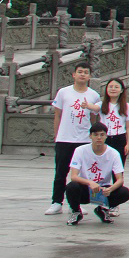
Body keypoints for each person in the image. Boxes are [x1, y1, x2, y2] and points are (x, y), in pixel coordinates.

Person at [47, 62, 100, 215]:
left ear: (89, 76)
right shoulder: (63, 92)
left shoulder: (93, 95)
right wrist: (57, 135)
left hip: (83, 139)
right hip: (64, 138)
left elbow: (94, 118)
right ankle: (56, 202)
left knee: (81, 175)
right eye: (80, 72)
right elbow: (57, 115)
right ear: (74, 75)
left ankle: (75, 204)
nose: (83, 74)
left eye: (86, 72)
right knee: (60, 172)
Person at [64, 122, 129, 225]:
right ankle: (76, 211)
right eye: (95, 135)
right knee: (71, 187)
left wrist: (110, 189)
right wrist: (90, 183)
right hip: (86, 188)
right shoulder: (80, 151)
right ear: (90, 136)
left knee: (125, 192)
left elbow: (120, 179)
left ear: (106, 136)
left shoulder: (114, 153)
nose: (99, 138)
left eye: (102, 135)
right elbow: (74, 176)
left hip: (103, 190)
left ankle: (102, 209)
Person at [98, 77, 129, 162]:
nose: (113, 89)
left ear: (121, 90)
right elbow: (94, 108)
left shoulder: (126, 106)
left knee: (118, 167)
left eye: (116, 87)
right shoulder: (101, 104)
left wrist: (128, 144)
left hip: (120, 138)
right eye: (110, 87)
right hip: (105, 138)